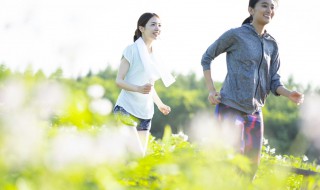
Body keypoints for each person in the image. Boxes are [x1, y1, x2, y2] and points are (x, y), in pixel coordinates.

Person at [201, 0, 304, 176]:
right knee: (230, 161)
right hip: (230, 107)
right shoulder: (236, 35)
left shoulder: (273, 44)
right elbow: (207, 57)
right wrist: (211, 90)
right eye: (264, 5)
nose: (269, 10)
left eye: (272, 7)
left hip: (255, 114)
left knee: (250, 169)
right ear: (251, 10)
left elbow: (273, 80)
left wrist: (288, 94)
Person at [113, 12, 175, 157]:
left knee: (137, 162)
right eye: (153, 24)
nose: (157, 28)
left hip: (145, 113)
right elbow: (119, 81)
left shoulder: (155, 56)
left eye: (159, 25)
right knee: (138, 155)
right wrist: (138, 89)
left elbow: (150, 87)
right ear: (141, 28)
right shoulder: (131, 50)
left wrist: (159, 104)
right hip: (125, 109)